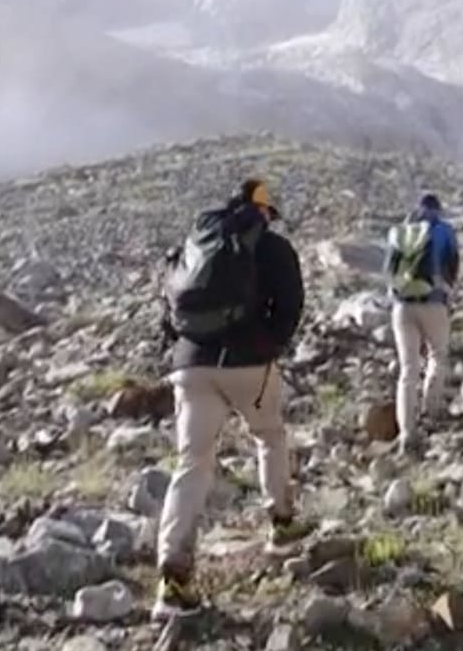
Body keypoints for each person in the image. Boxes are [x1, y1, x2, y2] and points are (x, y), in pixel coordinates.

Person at [152, 178, 313, 620]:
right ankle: (281, 525)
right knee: (269, 436)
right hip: (247, 363)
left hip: (190, 365)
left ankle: (173, 579)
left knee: (192, 463)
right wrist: (268, 345)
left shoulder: (198, 241)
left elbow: (168, 306)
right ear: (264, 211)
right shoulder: (273, 248)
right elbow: (291, 305)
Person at [386, 192, 461, 455]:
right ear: (438, 209)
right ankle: (430, 411)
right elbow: (452, 268)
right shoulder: (444, 231)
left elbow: (388, 270)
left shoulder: (401, 231)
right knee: (437, 356)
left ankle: (407, 431)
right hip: (433, 302)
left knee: (408, 369)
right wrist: (447, 292)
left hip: (402, 306)